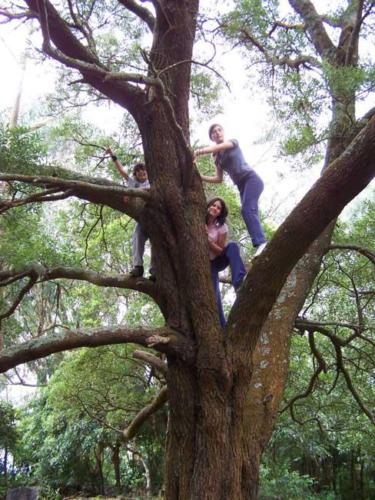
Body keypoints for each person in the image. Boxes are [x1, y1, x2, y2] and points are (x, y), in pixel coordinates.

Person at [195, 123, 267, 256]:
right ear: (211, 137)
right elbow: (218, 178)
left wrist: (203, 151)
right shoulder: (217, 158)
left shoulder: (232, 142)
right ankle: (262, 243)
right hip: (241, 186)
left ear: (223, 132)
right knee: (250, 212)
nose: (217, 133)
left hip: (251, 179)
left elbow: (220, 147)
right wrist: (200, 177)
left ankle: (261, 243)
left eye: (219, 130)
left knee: (247, 210)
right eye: (213, 132)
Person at [106, 147, 155, 279]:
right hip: (141, 219)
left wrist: (139, 193)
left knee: (156, 241)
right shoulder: (133, 183)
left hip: (155, 217)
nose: (141, 173)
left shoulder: (153, 181)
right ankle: (138, 267)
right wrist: (112, 154)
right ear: (136, 174)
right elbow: (122, 171)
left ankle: (155, 270)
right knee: (137, 236)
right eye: (138, 171)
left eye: (143, 170)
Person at [206, 197, 246, 327]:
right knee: (214, 294)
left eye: (218, 208)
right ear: (208, 206)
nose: (215, 208)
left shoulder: (222, 227)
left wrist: (208, 241)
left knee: (233, 246)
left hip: (216, 261)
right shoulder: (198, 221)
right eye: (213, 205)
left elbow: (219, 250)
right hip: (206, 264)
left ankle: (238, 282)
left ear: (220, 212)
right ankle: (223, 327)